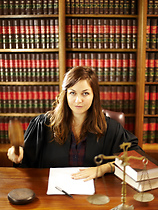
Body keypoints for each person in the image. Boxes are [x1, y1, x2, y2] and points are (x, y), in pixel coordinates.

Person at [7, 66, 141, 181]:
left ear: (94, 96)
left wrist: (104, 168)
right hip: (50, 196)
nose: (78, 100)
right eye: (72, 93)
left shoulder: (110, 128)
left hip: (94, 195)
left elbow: (136, 157)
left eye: (85, 93)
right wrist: (17, 155)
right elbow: (26, 164)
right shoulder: (43, 124)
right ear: (65, 95)